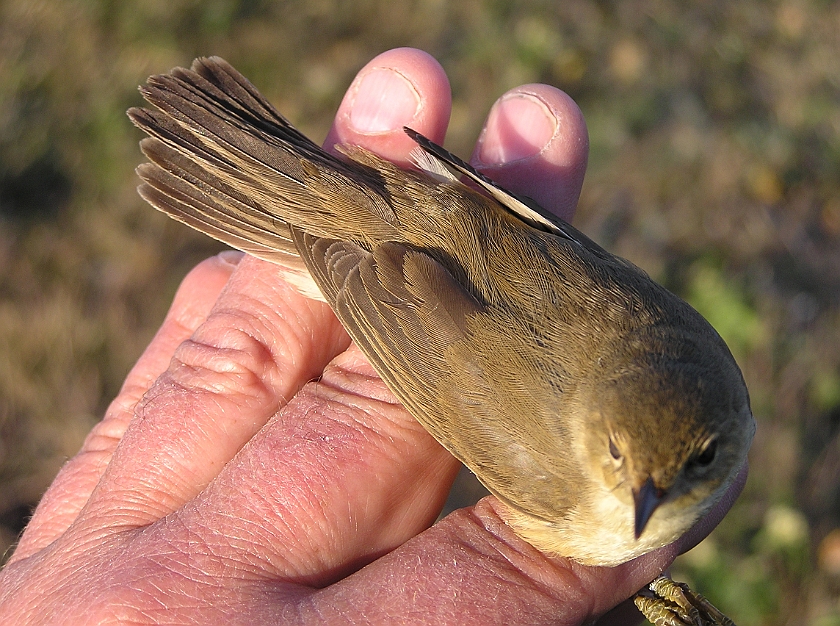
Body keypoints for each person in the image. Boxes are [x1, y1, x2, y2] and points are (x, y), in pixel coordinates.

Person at [0, 47, 746, 625]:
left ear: (723, 422)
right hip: (420, 307)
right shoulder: (570, 471)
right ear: (603, 429)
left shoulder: (706, 368)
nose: (646, 502)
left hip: (458, 249)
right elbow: (437, 378)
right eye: (620, 458)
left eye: (696, 463)